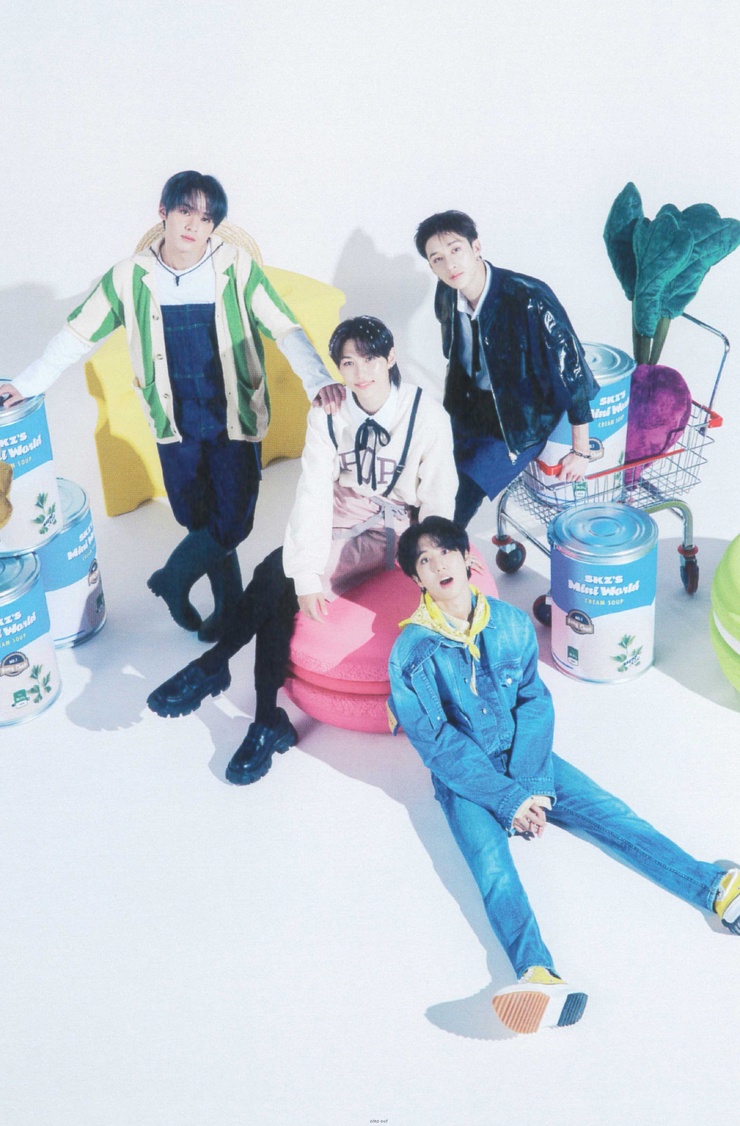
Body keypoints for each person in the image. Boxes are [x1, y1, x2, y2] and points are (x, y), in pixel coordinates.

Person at [388, 516, 740, 1035]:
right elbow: (436, 743)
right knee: (492, 868)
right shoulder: (409, 653)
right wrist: (508, 799)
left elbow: (533, 700)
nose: (438, 564)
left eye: (445, 551)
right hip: (466, 779)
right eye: (424, 560)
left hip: (525, 754)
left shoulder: (509, 623)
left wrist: (531, 785)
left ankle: (716, 888)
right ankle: (537, 974)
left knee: (613, 816)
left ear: (466, 558)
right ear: (417, 578)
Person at [0, 171, 343, 641]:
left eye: (206, 218)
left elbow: (284, 327)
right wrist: (28, 382)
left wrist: (319, 378)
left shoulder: (236, 266)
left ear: (214, 226)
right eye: (185, 211)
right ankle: (229, 609)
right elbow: (77, 335)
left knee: (234, 520)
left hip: (233, 416)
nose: (194, 225)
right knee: (197, 517)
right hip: (173, 421)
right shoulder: (129, 277)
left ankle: (173, 579)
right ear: (163, 212)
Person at [146, 316, 458, 784]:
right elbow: (312, 494)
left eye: (370, 359)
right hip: (337, 512)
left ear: (391, 357)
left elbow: (437, 499)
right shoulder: (329, 411)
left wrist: (434, 566)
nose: (360, 373)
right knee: (280, 577)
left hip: (388, 526)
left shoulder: (426, 415)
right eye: (348, 363)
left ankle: (220, 669)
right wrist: (307, 573)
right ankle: (262, 716)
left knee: (278, 575)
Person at [414, 210, 599, 527]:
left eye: (456, 249)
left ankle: (444, 549)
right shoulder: (446, 293)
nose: (450, 265)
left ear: (476, 247)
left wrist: (580, 451)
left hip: (518, 419)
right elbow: (454, 356)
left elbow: (573, 373)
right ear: (431, 267)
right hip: (467, 410)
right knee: (422, 483)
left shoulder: (528, 297)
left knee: (456, 504)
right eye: (438, 259)